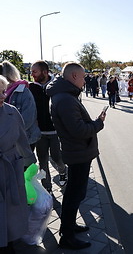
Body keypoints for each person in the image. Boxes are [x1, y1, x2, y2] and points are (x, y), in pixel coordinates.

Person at [46, 62, 106, 249]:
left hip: (78, 151)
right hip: (77, 152)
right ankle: (67, 236)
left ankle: (68, 226)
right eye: (82, 77)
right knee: (74, 194)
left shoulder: (65, 96)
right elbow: (78, 130)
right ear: (73, 77)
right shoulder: (65, 98)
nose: (84, 80)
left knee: (75, 192)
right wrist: (98, 124)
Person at [0, 75, 37, 253]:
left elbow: (22, 140)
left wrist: (31, 164)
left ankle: (10, 242)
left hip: (10, 169)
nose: (2, 96)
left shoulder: (12, 111)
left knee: (10, 212)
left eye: (2, 92)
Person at [29, 61, 67, 194]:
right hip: (40, 133)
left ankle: (63, 171)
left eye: (34, 71)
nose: (31, 74)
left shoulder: (56, 86)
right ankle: (47, 189)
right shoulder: (31, 88)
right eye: (31, 71)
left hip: (55, 131)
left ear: (44, 72)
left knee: (57, 157)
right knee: (42, 161)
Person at [0, 60, 41, 151]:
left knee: (24, 164)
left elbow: (28, 118)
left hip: (25, 138)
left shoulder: (23, 91)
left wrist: (9, 133)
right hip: (6, 140)